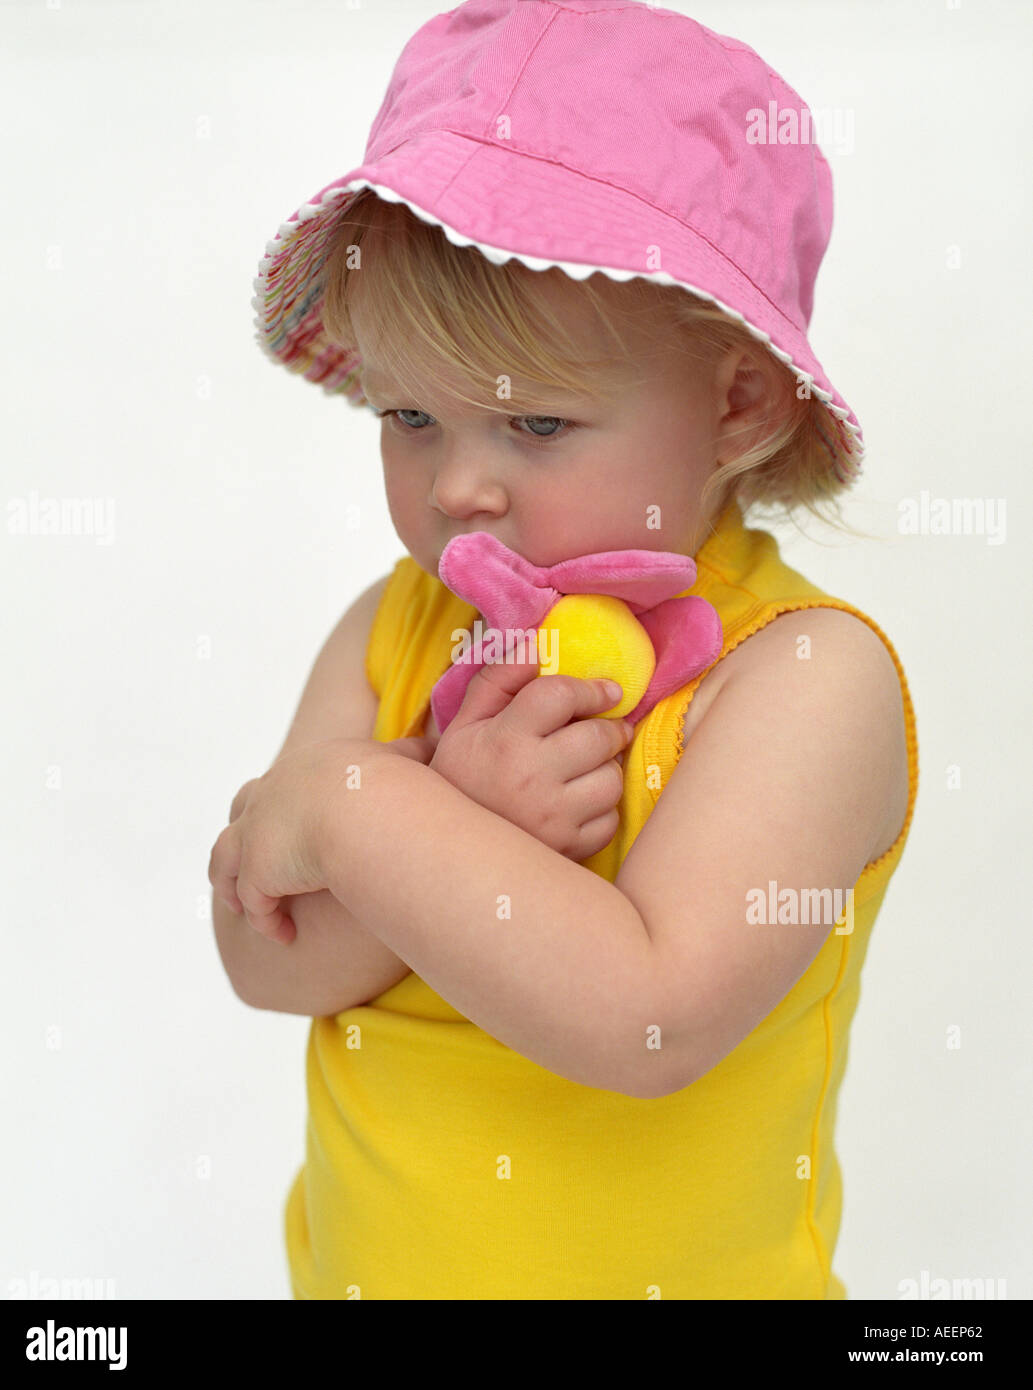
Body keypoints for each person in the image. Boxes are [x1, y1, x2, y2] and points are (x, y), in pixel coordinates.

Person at [217, 0, 918, 1298]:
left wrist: (364, 810)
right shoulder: (390, 631)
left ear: (736, 402)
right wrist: (440, 806)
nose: (458, 487)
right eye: (411, 414)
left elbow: (645, 1015)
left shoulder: (800, 680)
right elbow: (265, 953)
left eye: (534, 424)